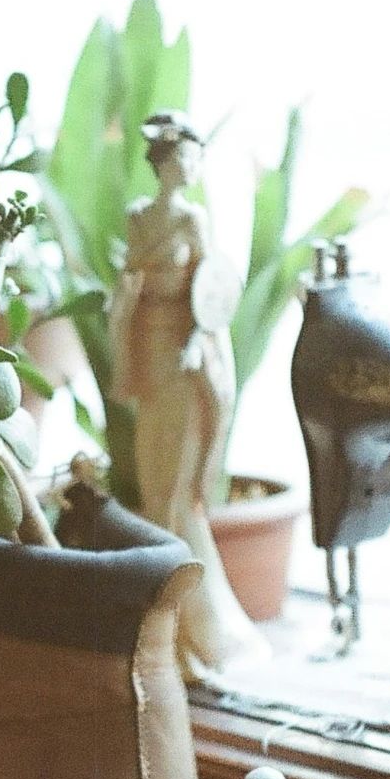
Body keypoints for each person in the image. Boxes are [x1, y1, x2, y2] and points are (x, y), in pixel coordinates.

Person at [109, 112, 265, 679]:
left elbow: (213, 295)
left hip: (183, 359)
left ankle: (192, 637)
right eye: (185, 159)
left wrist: (200, 344)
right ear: (166, 164)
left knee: (176, 494)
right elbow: (128, 286)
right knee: (155, 488)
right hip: (150, 361)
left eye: (196, 160)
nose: (191, 168)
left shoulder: (195, 222)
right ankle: (167, 637)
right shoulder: (138, 219)